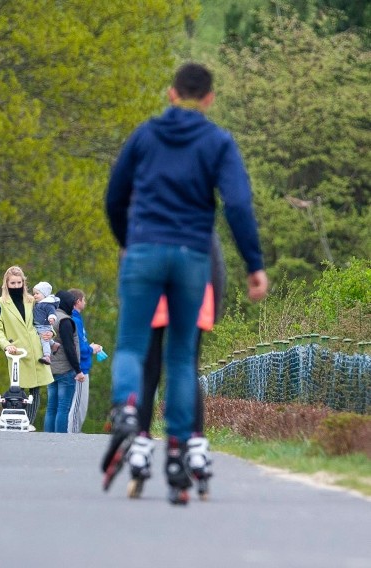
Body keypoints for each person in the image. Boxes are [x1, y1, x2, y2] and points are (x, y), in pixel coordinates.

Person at [104, 62, 268, 503]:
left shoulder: (145, 135)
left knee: (133, 348)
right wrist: (254, 263)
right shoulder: (218, 141)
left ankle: (126, 409)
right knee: (181, 358)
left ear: (171, 93)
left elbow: (114, 195)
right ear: (209, 99)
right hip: (194, 257)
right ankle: (179, 446)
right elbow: (237, 204)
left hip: (144, 251)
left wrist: (129, 241)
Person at [128, 234, 226, 489]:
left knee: (149, 368)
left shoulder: (149, 209)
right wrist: (215, 302)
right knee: (185, 366)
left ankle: (141, 443)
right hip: (194, 281)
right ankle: (195, 445)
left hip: (153, 277)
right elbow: (214, 251)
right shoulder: (197, 204)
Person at [0, 266, 54, 427]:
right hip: (17, 350)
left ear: (23, 283)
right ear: (6, 283)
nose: (16, 286)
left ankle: (29, 422)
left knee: (36, 388)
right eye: (13, 283)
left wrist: (51, 333)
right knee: (19, 387)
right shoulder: (0, 304)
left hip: (36, 348)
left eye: (19, 282)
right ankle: (17, 420)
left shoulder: (32, 300)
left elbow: (45, 319)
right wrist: (5, 346)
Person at [44, 290, 85, 433]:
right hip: (65, 370)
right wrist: (78, 370)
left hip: (50, 369)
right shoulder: (65, 321)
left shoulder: (50, 318)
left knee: (51, 407)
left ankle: (47, 438)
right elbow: (69, 347)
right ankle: (59, 439)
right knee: (63, 407)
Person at [67, 288, 103, 434]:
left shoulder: (76, 318)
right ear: (78, 302)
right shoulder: (75, 319)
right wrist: (91, 349)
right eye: (84, 300)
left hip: (81, 367)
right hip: (80, 369)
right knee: (78, 405)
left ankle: (73, 431)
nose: (85, 302)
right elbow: (79, 347)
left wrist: (88, 347)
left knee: (80, 404)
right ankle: (73, 434)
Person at [31, 281, 58, 365]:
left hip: (44, 325)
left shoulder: (48, 304)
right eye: (34, 294)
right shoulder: (38, 304)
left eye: (37, 293)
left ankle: (47, 356)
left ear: (44, 294)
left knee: (44, 339)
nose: (35, 295)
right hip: (38, 325)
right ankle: (54, 344)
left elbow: (52, 312)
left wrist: (51, 318)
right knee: (41, 337)